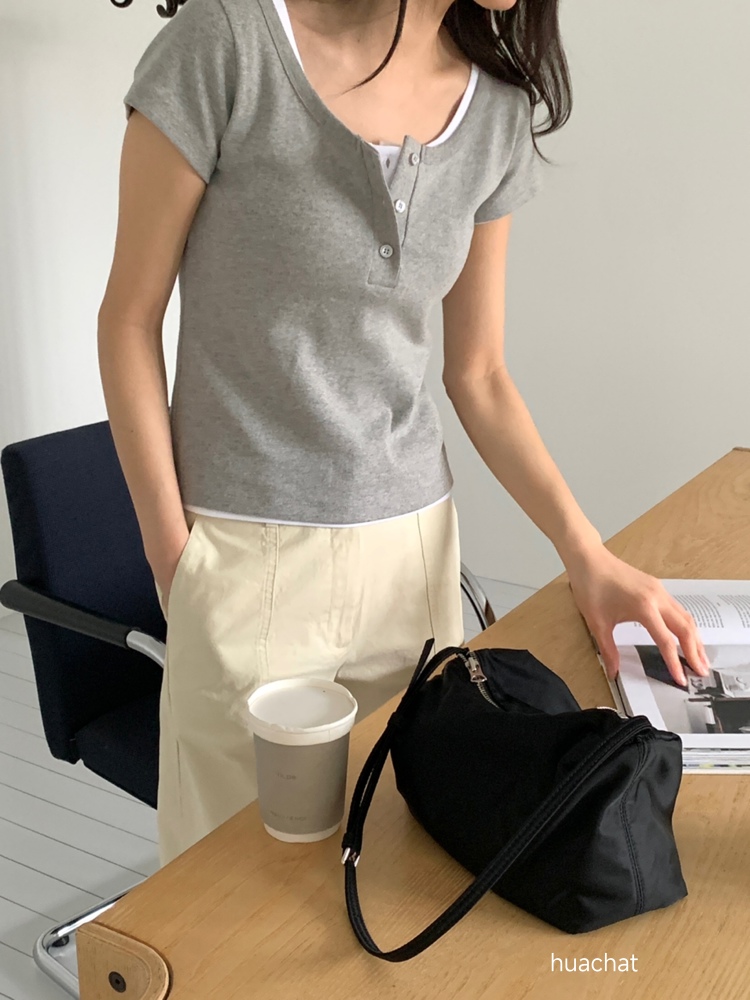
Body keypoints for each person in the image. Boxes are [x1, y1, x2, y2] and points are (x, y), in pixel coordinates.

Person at [98, 0, 711, 867]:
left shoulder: (495, 111)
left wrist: (587, 555)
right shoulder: (228, 44)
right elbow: (128, 319)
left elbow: (480, 374)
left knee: (397, 867)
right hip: (245, 558)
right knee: (223, 880)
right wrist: (176, 557)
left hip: (412, 564)